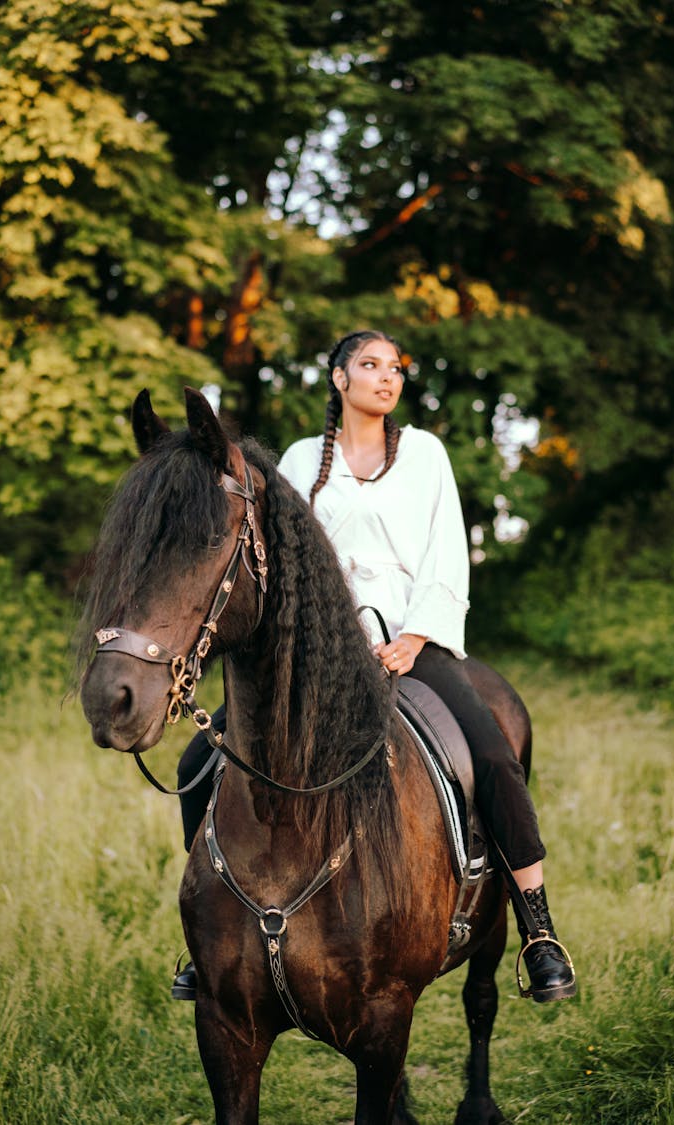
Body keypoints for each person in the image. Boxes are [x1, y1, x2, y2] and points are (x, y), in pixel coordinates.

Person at [172, 329, 576, 1005]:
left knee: (494, 754)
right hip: (319, 651)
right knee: (196, 763)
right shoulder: (303, 459)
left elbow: (447, 554)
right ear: (338, 378)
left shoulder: (424, 453)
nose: (386, 378)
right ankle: (206, 931)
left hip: (411, 641)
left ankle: (537, 926)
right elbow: (283, 559)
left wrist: (415, 636)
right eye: (369, 365)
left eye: (395, 368)